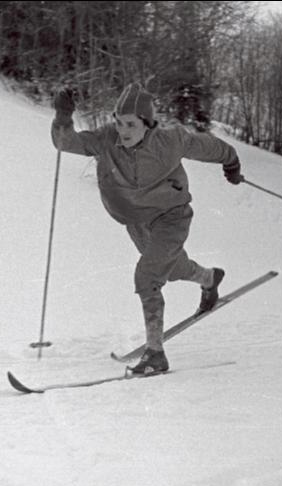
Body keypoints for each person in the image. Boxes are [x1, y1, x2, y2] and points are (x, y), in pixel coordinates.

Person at [51, 83, 243, 375]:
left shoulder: (170, 141)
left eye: (130, 124)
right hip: (136, 221)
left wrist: (231, 162)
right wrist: (63, 116)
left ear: (147, 123)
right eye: (118, 122)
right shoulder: (106, 139)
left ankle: (156, 354)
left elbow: (210, 146)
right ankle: (209, 278)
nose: (123, 130)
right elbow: (66, 142)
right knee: (171, 269)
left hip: (171, 217)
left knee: (148, 274)